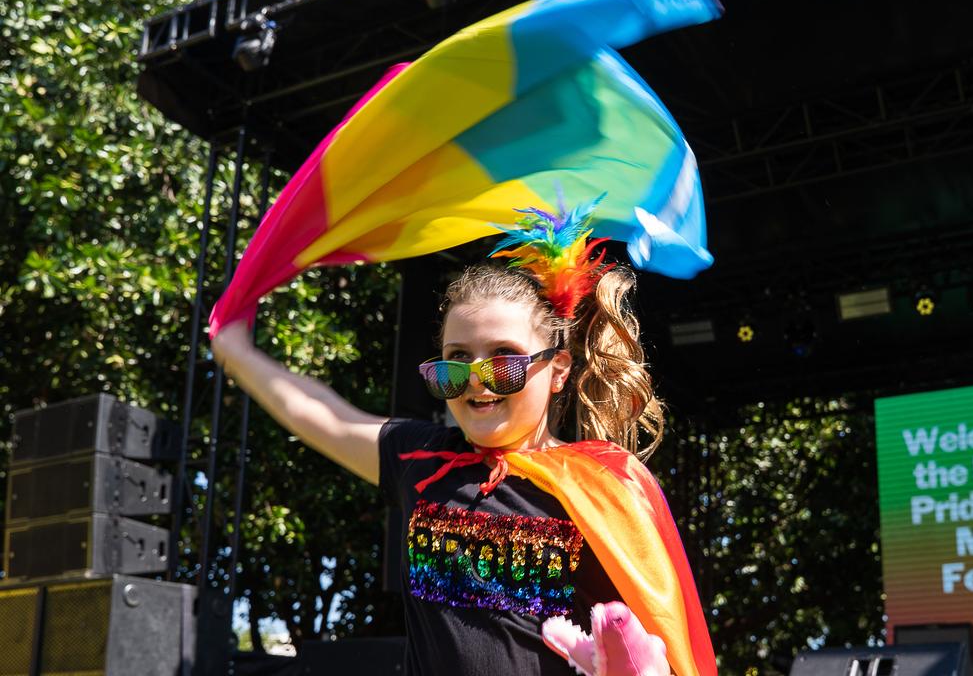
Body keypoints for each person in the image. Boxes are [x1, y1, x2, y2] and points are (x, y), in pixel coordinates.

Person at [211, 210, 715, 675]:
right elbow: (326, 417)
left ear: (556, 369)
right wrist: (236, 352)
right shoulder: (421, 458)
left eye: (504, 359)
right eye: (455, 362)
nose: (478, 380)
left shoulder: (605, 483)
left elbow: (658, 632)